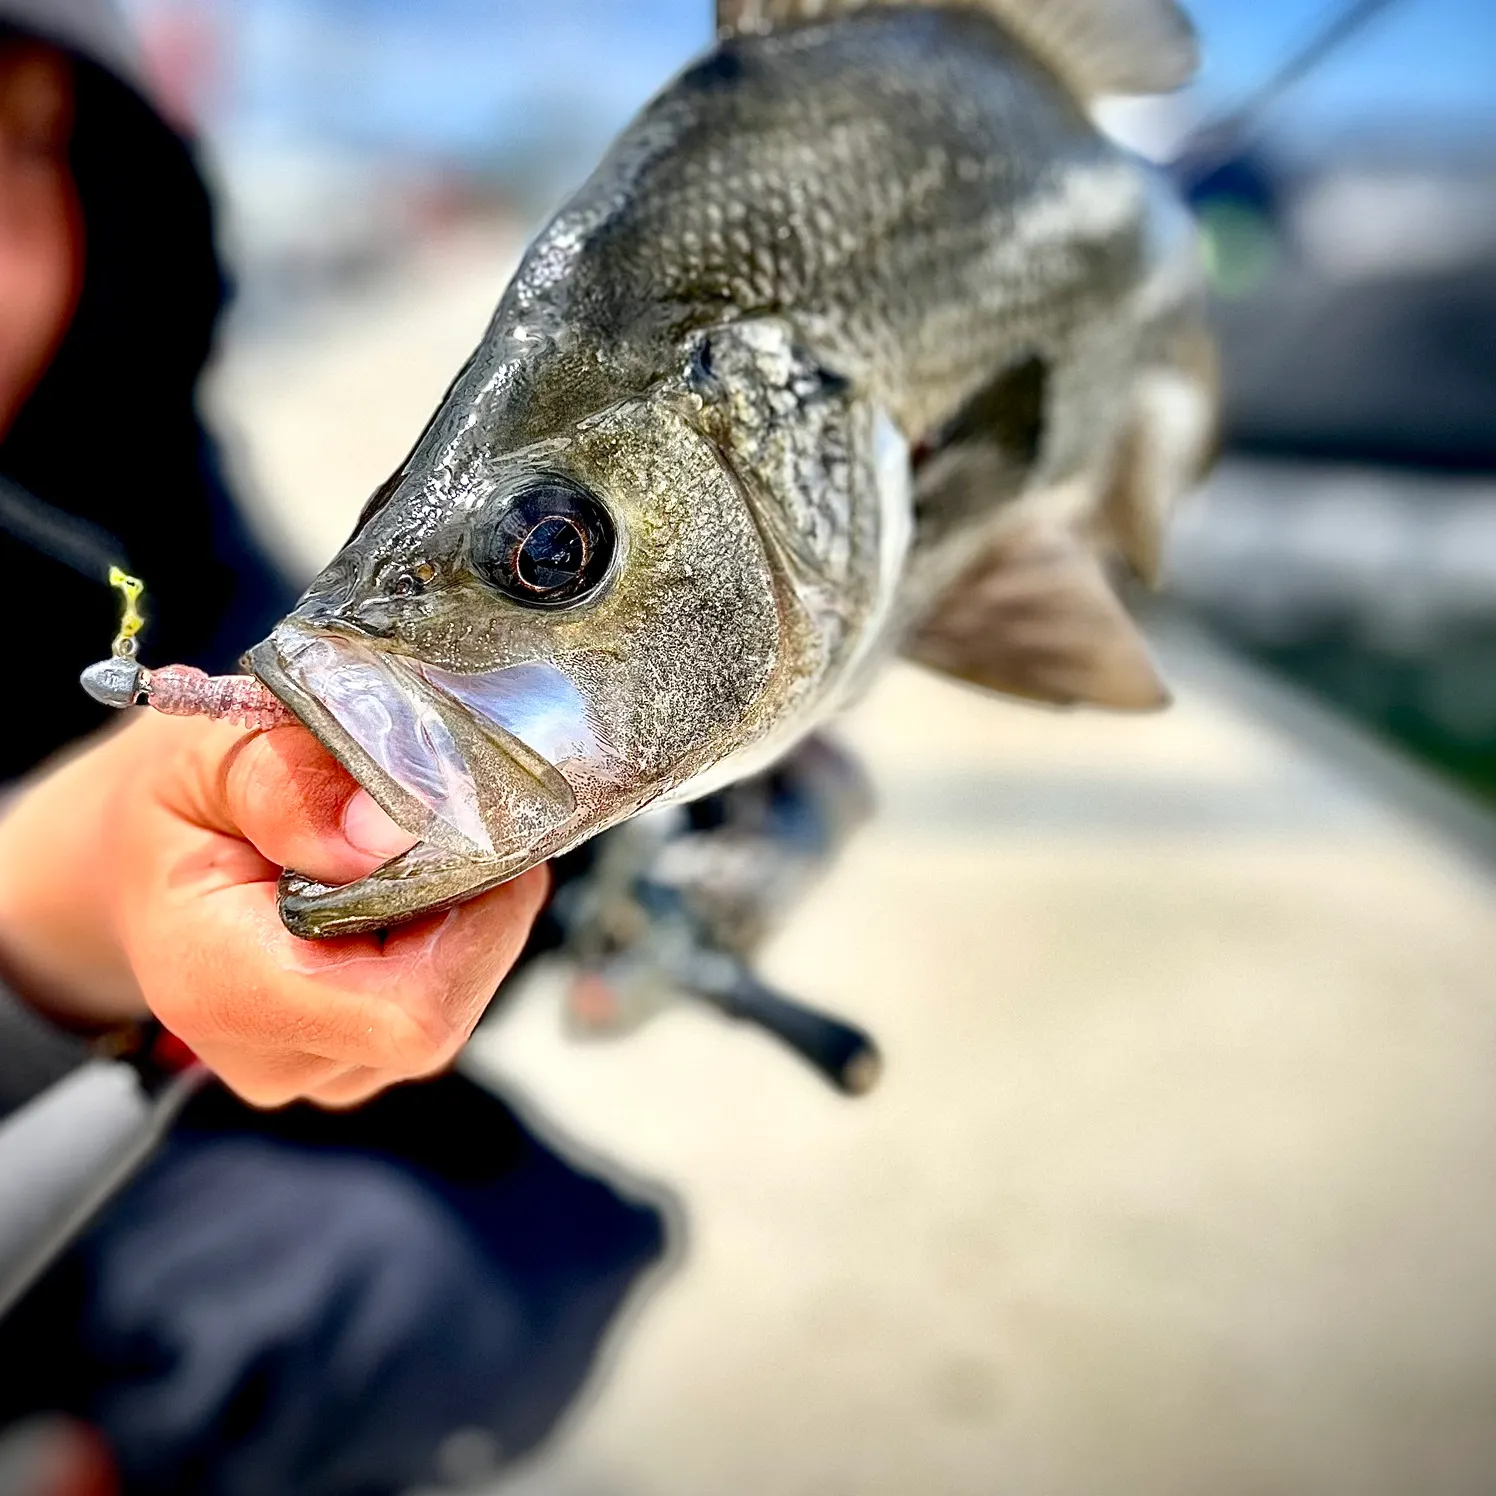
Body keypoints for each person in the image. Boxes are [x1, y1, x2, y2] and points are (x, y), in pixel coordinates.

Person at [0, 4, 668, 1492]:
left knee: (439, 1271)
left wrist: (576, 811)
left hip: (99, 1166)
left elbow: (306, 672)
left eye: (27, 146)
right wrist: (61, 900)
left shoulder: (125, 449)